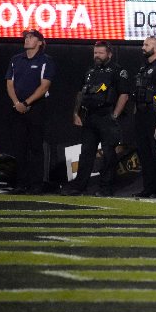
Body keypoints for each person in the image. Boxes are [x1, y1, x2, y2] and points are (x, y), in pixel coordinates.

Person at [63, 41, 131, 197]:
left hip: (107, 115)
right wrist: (76, 113)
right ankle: (79, 187)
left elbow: (124, 95)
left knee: (108, 153)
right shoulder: (90, 71)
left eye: (100, 53)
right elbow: (81, 93)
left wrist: (115, 115)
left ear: (109, 54)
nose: (97, 56)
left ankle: (106, 188)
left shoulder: (118, 71)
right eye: (95, 53)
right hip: (90, 116)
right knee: (86, 153)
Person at [5, 29, 54, 195]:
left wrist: (27, 102)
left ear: (40, 42)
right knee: (19, 147)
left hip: (37, 108)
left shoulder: (45, 60)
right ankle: (20, 184)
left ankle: (36, 184)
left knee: (36, 147)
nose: (27, 39)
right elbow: (10, 83)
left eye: (31, 37)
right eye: (26, 37)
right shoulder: (16, 60)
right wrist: (17, 103)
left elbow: (44, 85)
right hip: (17, 108)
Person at [131, 36, 156, 198]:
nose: (143, 47)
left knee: (155, 152)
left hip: (154, 115)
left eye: (146, 44)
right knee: (143, 152)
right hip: (141, 114)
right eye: (143, 44)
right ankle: (149, 188)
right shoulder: (143, 68)